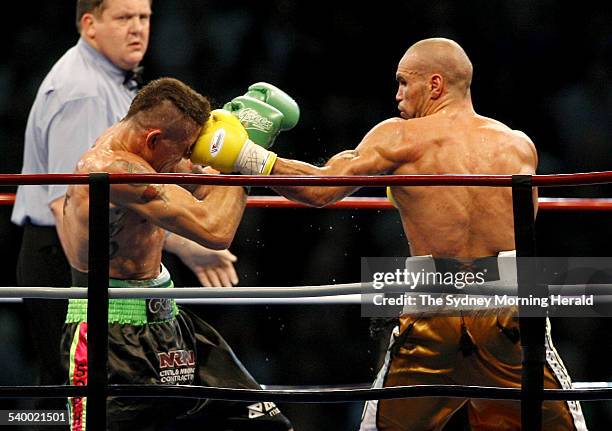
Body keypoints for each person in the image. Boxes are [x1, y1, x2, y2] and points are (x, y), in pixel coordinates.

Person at [194, 38, 587, 430]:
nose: (397, 95)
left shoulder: (400, 136)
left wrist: (244, 154)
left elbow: (320, 190)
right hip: (510, 303)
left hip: (436, 302)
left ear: (435, 85)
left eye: (403, 82)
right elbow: (522, 228)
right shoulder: (519, 145)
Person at [11, 0, 238, 401]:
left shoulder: (114, 81)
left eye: (144, 17)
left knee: (79, 398)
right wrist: (88, 291)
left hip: (93, 262)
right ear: (89, 25)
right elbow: (67, 203)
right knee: (71, 397)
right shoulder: (83, 92)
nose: (137, 28)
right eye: (123, 18)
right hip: (66, 257)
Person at [59, 77, 293, 431]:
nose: (187, 159)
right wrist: (244, 155)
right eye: (185, 150)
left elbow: (206, 185)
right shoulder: (113, 169)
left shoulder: (154, 152)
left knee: (267, 424)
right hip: (110, 333)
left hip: (171, 320)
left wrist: (250, 154)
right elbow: (216, 231)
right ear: (154, 139)